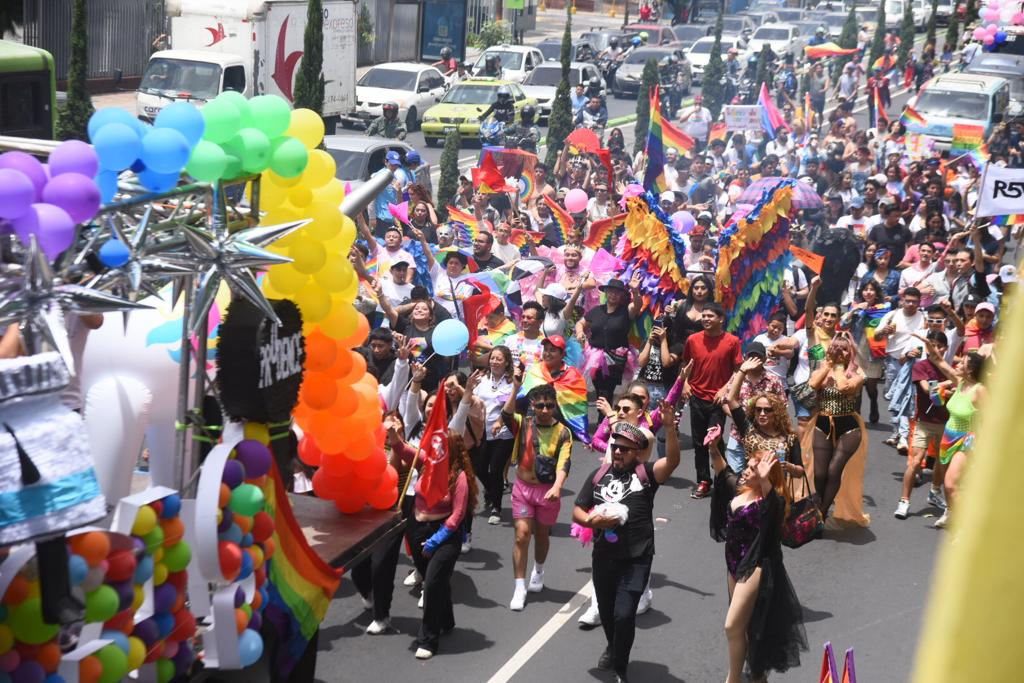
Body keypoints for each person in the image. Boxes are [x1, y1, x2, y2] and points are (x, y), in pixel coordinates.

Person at [572, 404, 682, 683]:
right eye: (615, 447)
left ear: (636, 452)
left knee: (624, 614)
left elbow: (672, 462)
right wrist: (592, 522)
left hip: (637, 557)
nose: (618, 452)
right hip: (604, 557)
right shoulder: (598, 476)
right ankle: (613, 645)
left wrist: (669, 428)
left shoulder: (645, 474)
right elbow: (577, 510)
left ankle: (621, 668)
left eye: (625, 449)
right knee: (608, 614)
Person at [708, 435, 806, 683]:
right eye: (749, 466)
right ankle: (758, 678)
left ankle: (733, 679)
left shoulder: (770, 502)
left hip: (755, 566)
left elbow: (775, 506)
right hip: (733, 565)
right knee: (748, 630)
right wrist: (713, 448)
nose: (747, 471)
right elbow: (723, 473)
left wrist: (765, 480)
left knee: (732, 627)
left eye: (753, 469)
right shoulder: (742, 491)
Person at [502, 378, 573, 612]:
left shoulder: (563, 433)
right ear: (532, 404)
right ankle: (519, 586)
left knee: (542, 534)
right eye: (540, 405)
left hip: (547, 493)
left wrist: (557, 487)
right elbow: (506, 415)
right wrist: (514, 388)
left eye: (549, 406)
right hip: (522, 489)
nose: (544, 410)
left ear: (555, 406)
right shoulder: (524, 424)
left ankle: (538, 570)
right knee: (522, 535)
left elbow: (564, 463)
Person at [407, 429, 477, 659]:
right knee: (436, 581)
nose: (437, 449)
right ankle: (446, 619)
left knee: (433, 583)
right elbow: (405, 451)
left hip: (445, 536)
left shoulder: (460, 478)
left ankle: (428, 640)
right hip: (417, 530)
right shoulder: (427, 465)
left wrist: (435, 541)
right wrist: (395, 437)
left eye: (442, 446)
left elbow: (457, 516)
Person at [801, 333, 870, 526]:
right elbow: (814, 384)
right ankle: (819, 506)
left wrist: (839, 367)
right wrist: (828, 365)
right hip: (822, 424)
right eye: (836, 348)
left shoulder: (857, 374)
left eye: (844, 348)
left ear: (851, 352)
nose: (840, 352)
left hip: (849, 428)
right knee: (820, 473)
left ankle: (821, 513)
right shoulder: (823, 370)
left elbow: (845, 387)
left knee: (833, 470)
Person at [919, 337, 987, 529]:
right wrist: (929, 346)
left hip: (967, 439)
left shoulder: (979, 390)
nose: (957, 362)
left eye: (962, 362)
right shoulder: (959, 383)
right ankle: (951, 512)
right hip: (948, 437)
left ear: (971, 369)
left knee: (950, 484)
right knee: (951, 484)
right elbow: (940, 362)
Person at [681, 302, 744, 499]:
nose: (706, 319)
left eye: (710, 316)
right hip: (696, 398)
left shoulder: (732, 341)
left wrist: (725, 388)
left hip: (718, 401)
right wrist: (684, 384)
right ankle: (704, 481)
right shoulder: (692, 339)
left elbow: (737, 369)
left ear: (721, 319)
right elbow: (685, 364)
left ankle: (723, 478)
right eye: (704, 316)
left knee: (714, 441)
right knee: (699, 443)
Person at [894, 330, 950, 520]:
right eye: (932, 344)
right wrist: (952, 383)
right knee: (916, 461)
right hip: (924, 423)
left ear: (946, 348)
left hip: (946, 423)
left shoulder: (948, 367)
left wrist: (952, 381)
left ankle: (934, 493)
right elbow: (929, 391)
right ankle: (904, 501)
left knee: (942, 463)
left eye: (940, 345)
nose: (936, 349)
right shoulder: (921, 367)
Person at [576, 275, 644, 402]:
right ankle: (603, 419)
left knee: (608, 391)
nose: (613, 294)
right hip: (595, 357)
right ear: (606, 292)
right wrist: (580, 332)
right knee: (598, 391)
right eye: (611, 291)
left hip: (616, 359)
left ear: (621, 296)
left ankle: (605, 419)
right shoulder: (596, 310)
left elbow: (637, 305)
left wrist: (635, 291)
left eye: (617, 292)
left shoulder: (626, 311)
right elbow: (580, 323)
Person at [875, 287, 925, 453]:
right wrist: (884, 331)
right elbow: (876, 336)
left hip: (913, 363)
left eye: (914, 301)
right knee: (893, 395)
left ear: (919, 302)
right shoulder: (892, 315)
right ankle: (897, 431)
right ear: (902, 300)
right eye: (908, 301)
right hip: (894, 362)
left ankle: (903, 435)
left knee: (907, 397)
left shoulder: (923, 317)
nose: (911, 304)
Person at [722, 343, 786, 473]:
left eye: (758, 357)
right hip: (738, 435)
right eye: (751, 357)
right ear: (745, 358)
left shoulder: (773, 380)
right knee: (735, 476)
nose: (754, 361)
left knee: (763, 475)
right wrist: (739, 419)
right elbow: (725, 402)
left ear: (764, 359)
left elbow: (782, 405)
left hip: (764, 438)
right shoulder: (737, 378)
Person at [472, 345, 516, 524]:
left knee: (495, 469)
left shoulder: (513, 382)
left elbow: (514, 408)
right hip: (481, 432)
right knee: (479, 468)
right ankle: (491, 490)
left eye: (499, 359)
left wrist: (501, 421)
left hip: (503, 434)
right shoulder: (481, 380)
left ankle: (496, 508)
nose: (495, 362)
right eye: (492, 358)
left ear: (506, 363)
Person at [842, 279, 890, 423]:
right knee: (856, 386)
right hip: (856, 350)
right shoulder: (855, 306)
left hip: (874, 352)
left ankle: (874, 404)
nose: (868, 292)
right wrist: (855, 310)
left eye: (871, 289)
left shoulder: (884, 308)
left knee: (871, 386)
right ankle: (856, 417)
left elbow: (888, 329)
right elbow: (843, 323)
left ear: (876, 293)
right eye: (865, 289)